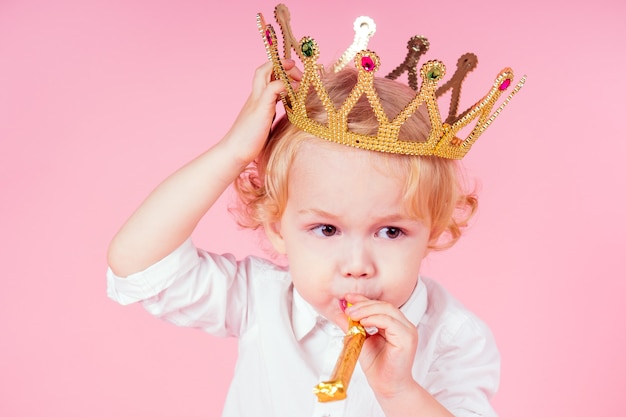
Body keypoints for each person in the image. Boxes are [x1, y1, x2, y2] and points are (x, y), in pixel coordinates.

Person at [107, 5, 520, 416]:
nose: (357, 266)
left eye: (391, 232)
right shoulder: (259, 299)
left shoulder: (453, 338)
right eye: (326, 229)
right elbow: (137, 265)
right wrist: (231, 153)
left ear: (433, 230)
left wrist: (399, 392)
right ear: (276, 227)